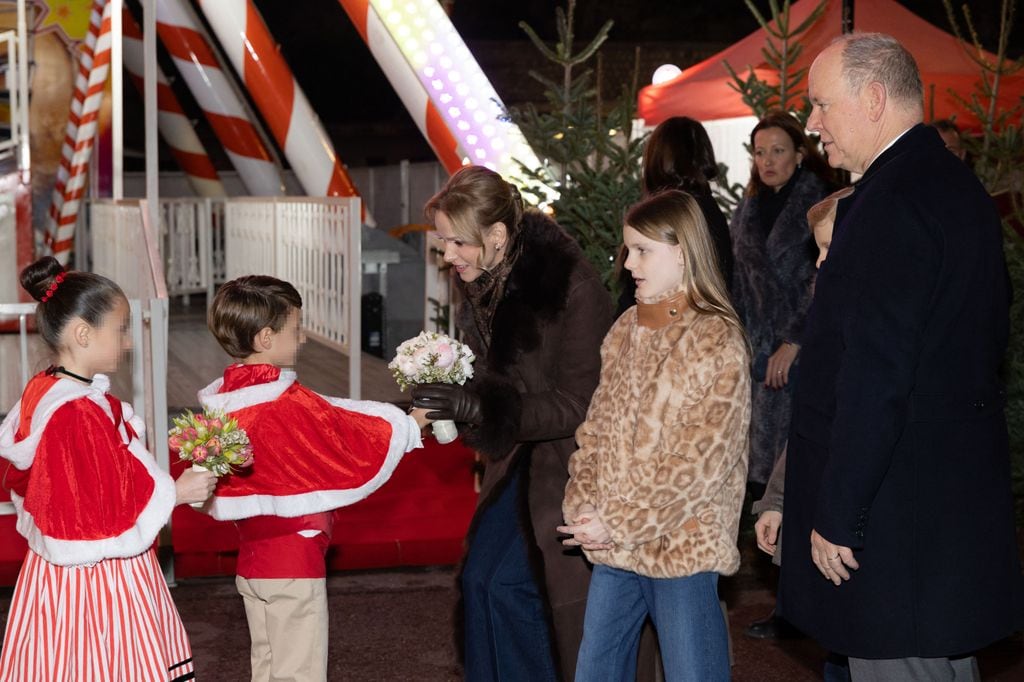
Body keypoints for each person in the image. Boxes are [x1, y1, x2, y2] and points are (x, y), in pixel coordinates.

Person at [781, 33, 1023, 679]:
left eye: (821, 104)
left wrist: (839, 512)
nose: (812, 125)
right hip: (942, 502)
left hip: (895, 515)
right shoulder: (956, 187)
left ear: (873, 99)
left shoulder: (886, 204)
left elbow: (874, 374)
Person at [410, 165, 611, 680]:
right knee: (481, 581)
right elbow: (490, 378)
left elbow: (581, 403)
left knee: (509, 587)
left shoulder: (571, 286)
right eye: (444, 242)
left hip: (572, 464)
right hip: (519, 457)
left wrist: (482, 409)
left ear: (497, 235)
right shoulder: (485, 279)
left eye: (458, 243)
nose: (448, 256)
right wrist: (451, 390)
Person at [197, 275, 427, 681]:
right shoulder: (284, 403)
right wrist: (411, 425)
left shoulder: (227, 400)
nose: (302, 338)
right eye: (296, 328)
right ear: (266, 338)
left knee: (268, 667)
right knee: (300, 672)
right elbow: (342, 430)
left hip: (252, 561)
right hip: (293, 560)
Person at [560, 189, 750, 681]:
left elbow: (700, 464)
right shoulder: (626, 327)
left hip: (680, 544)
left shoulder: (715, 338)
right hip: (617, 543)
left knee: (693, 673)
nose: (628, 264)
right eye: (628, 250)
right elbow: (596, 429)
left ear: (683, 253)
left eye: (643, 250)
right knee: (595, 672)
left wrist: (618, 521)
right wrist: (585, 503)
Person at [0, 256, 216, 681]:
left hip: (58, 570)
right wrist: (178, 491)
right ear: (83, 334)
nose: (128, 342)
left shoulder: (50, 387)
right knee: (106, 659)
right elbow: (99, 506)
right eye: (120, 330)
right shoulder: (76, 412)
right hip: (97, 573)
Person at [730, 111, 835, 499]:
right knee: (758, 474)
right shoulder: (746, 210)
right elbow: (737, 284)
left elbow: (827, 282)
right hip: (755, 355)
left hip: (806, 353)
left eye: (778, 151)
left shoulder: (822, 205)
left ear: (800, 154)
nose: (767, 161)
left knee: (799, 470)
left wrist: (795, 341)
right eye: (760, 152)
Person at [616, 116, 734, 315]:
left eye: (642, 250)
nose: (630, 264)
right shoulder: (709, 210)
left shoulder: (670, 215)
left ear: (657, 158)